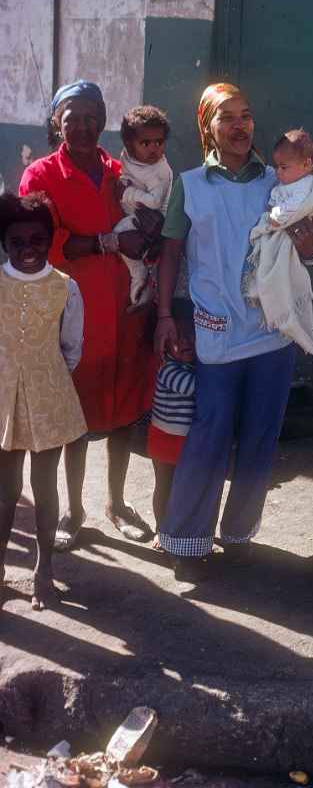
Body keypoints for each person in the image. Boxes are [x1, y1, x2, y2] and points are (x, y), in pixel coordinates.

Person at [155, 83, 313, 580]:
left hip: (273, 331)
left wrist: (310, 244)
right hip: (217, 330)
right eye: (226, 117)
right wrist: (165, 315)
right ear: (207, 125)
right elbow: (171, 253)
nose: (239, 126)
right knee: (209, 433)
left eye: (246, 116)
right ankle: (187, 540)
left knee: (260, 436)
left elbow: (310, 251)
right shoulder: (191, 185)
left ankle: (238, 534)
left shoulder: (280, 181)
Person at [19, 80, 159, 551]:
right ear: (55, 122)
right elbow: (41, 242)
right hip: (74, 317)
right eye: (72, 118)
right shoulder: (41, 175)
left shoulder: (123, 171)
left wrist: (152, 233)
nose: (82, 126)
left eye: (91, 117)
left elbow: (150, 227)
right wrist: (108, 242)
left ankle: (117, 503)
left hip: (126, 309)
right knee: (75, 416)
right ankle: (75, 509)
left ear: (104, 119)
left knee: (123, 411)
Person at [0, 192, 87, 610]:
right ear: (4, 244)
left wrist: (44, 378)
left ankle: (44, 570)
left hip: (48, 400)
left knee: (44, 485)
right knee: (5, 490)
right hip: (3, 403)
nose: (28, 250)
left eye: (37, 240)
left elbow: (71, 348)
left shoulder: (65, 288)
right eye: (17, 242)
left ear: (49, 241)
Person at [243, 128, 313, 360]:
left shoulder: (306, 186)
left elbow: (293, 211)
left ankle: (283, 312)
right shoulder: (290, 181)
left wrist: (271, 220)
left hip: (306, 234)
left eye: (284, 167)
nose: (278, 172)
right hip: (289, 236)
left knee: (279, 266)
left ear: (307, 164)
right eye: (276, 167)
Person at [148, 300, 195, 550]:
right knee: (165, 487)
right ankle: (162, 529)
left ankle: (184, 529)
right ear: (164, 341)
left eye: (190, 334)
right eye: (177, 336)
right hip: (165, 440)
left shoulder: (193, 366)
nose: (184, 341)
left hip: (185, 440)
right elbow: (193, 388)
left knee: (184, 488)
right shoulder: (168, 369)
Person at [115, 105, 173, 307]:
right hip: (135, 212)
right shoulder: (128, 158)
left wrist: (127, 193)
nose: (153, 148)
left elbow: (154, 202)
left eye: (159, 142)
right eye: (145, 143)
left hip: (152, 223)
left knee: (120, 232)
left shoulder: (160, 171)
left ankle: (138, 272)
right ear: (129, 144)